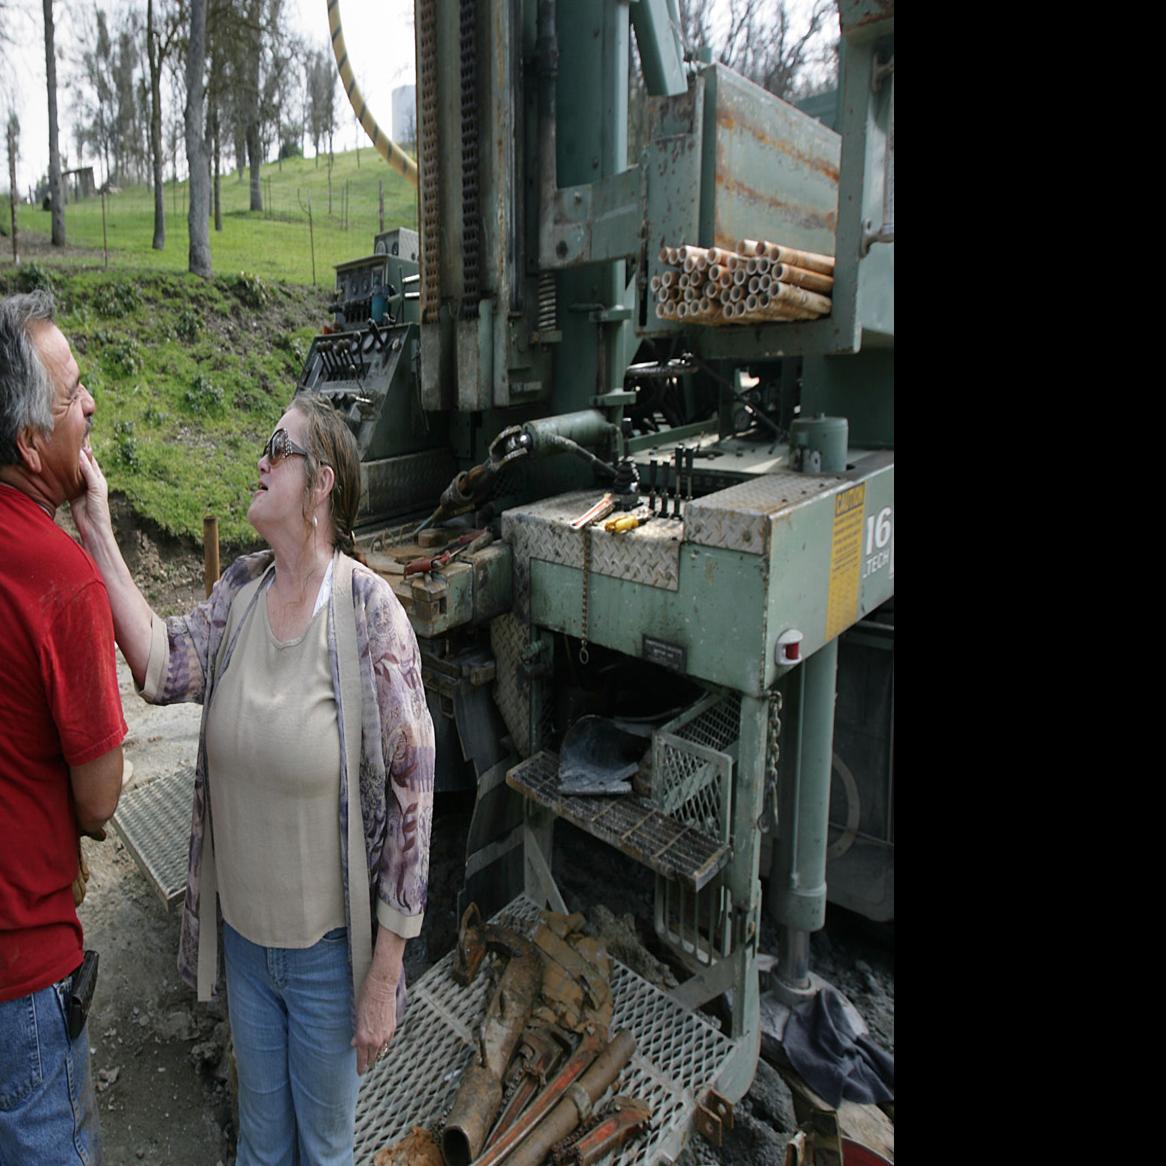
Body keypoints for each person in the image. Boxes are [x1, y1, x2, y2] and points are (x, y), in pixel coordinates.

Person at [72, 392, 435, 1165]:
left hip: (327, 962)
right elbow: (159, 667)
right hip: (244, 945)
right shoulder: (237, 593)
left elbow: (413, 797)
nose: (260, 460)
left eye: (280, 447)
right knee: (262, 1150)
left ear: (322, 484)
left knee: (326, 1153)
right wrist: (97, 525)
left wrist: (383, 975)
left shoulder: (370, 613)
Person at [0, 290, 127, 1163]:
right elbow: (100, 800)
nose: (89, 406)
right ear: (29, 444)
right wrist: (95, 539)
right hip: (24, 974)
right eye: (73, 394)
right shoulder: (59, 580)